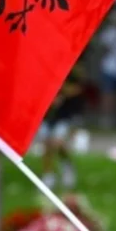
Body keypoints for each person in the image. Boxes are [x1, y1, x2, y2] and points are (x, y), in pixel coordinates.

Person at [39, 58, 87, 190]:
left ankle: (67, 166)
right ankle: (48, 174)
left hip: (64, 117)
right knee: (46, 145)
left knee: (58, 143)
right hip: (48, 118)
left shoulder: (71, 77)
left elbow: (76, 90)